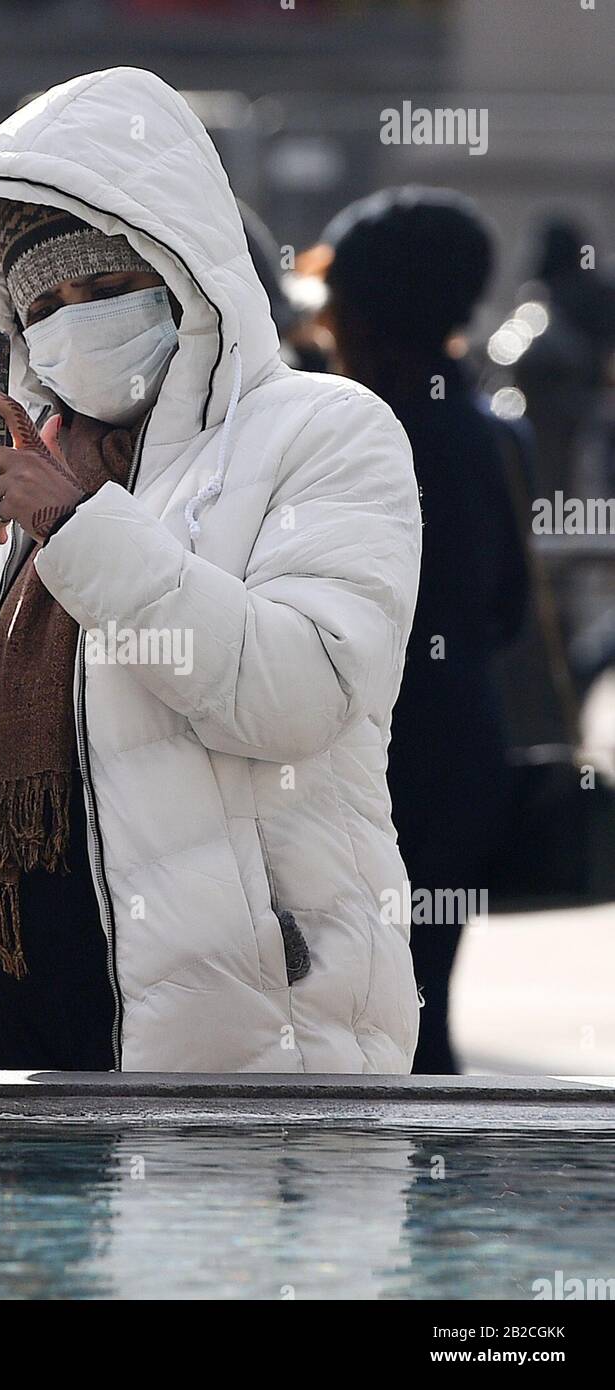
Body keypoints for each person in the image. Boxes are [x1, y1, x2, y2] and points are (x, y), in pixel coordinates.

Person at [0, 67, 422, 1074]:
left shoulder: (321, 430)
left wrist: (80, 525)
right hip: (2, 1002)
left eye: (104, 287)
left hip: (241, 1028)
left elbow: (300, 696)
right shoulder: (19, 453)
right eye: (43, 301)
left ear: (182, 272)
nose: (73, 319)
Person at [316, 187, 529, 1073]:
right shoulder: (481, 426)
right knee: (417, 1015)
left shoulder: (355, 433)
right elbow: (506, 607)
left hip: (373, 761)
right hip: (463, 753)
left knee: (353, 1025)